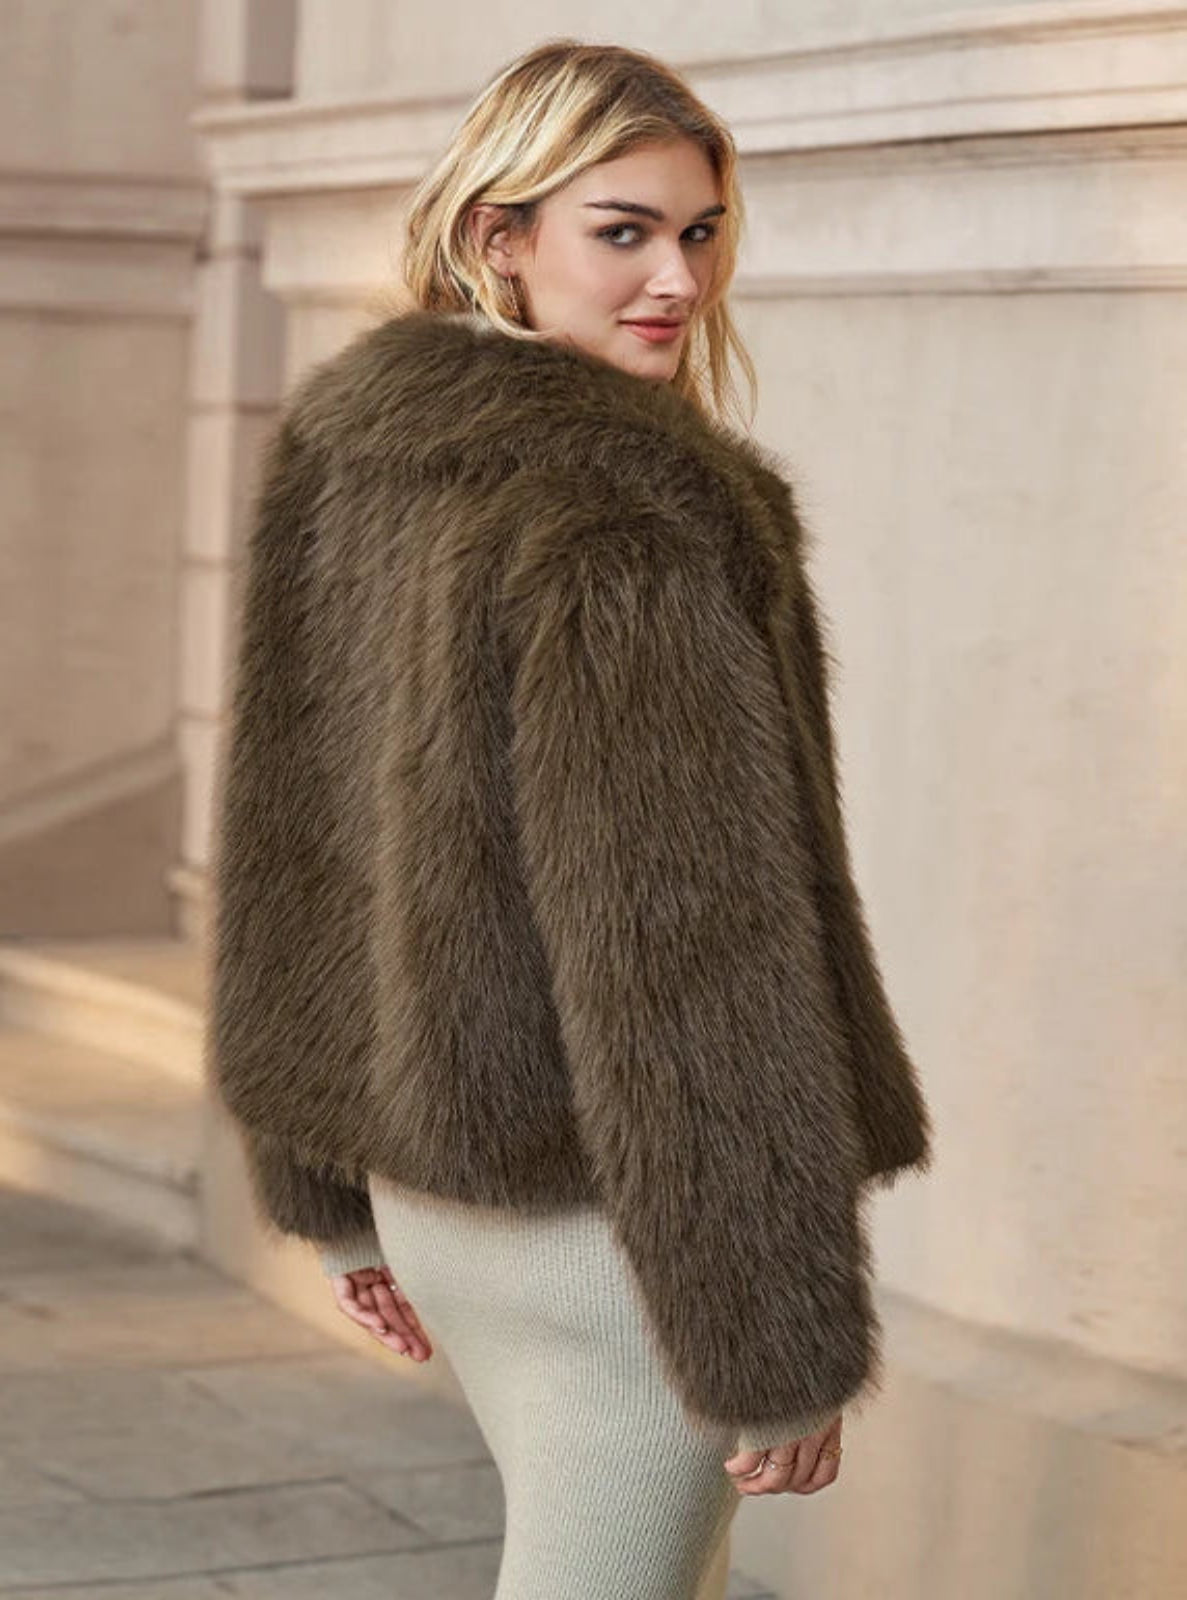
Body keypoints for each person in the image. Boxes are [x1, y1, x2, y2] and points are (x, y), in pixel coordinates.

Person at [208, 37, 933, 1600]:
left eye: (699, 231)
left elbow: (294, 850)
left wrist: (328, 1197)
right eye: (622, 230)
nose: (675, 276)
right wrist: (773, 1335)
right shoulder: (626, 515)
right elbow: (688, 955)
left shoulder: (355, 460)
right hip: (617, 1246)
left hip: (439, 1200)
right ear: (500, 236)